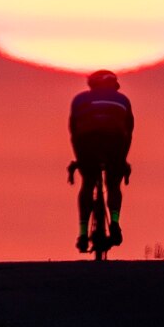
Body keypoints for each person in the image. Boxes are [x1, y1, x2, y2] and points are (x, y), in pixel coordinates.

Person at [68, 69, 134, 253]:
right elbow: (128, 133)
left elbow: (73, 132)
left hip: (86, 143)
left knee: (88, 184)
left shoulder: (79, 99)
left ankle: (82, 233)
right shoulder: (123, 100)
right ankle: (114, 223)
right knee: (113, 185)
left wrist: (80, 159)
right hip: (115, 143)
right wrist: (122, 159)